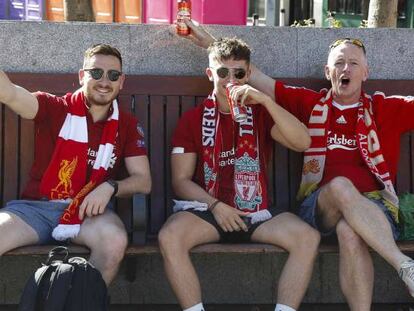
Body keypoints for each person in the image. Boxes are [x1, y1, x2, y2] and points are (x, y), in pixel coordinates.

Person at [182, 21, 414, 310]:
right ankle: (404, 265)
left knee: (349, 231)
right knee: (341, 186)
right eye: (339, 63)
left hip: (377, 208)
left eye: (354, 63)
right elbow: (247, 74)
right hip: (320, 206)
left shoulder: (386, 107)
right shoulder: (309, 102)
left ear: (366, 73)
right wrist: (209, 43)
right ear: (327, 72)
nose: (346, 69)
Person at [158, 36, 320, 311]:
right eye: (222, 72)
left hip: (254, 212)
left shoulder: (260, 113)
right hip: (208, 211)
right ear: (210, 74)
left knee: (307, 237)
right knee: (169, 237)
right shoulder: (193, 119)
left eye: (238, 73)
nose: (229, 79)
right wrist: (217, 207)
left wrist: (267, 102)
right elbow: (181, 181)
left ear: (248, 75)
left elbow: (303, 141)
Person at [0, 44, 151, 286]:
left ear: (121, 81)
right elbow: (9, 94)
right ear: (82, 75)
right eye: (96, 72)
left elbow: (143, 180)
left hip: (88, 214)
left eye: (113, 75)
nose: (104, 81)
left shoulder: (127, 125)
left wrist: (110, 187)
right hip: (35, 210)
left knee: (113, 242)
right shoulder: (55, 107)